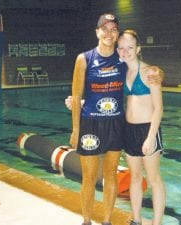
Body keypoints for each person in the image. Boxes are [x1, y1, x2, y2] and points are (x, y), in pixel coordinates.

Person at [68, 13, 163, 225]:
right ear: (97, 32)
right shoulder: (84, 59)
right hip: (90, 124)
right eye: (105, 28)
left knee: (110, 175)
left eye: (113, 29)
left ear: (117, 33)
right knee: (89, 178)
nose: (109, 33)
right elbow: (76, 96)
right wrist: (75, 129)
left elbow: (144, 69)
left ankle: (107, 221)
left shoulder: (122, 60)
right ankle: (86, 221)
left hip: (115, 124)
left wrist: (158, 72)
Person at [117, 29, 166, 225]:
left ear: (138, 49)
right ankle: (136, 220)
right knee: (135, 178)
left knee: (154, 179)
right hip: (129, 130)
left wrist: (151, 136)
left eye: (129, 47)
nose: (125, 51)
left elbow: (159, 108)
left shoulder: (150, 72)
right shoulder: (121, 72)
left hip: (148, 130)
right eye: (121, 47)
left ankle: (156, 223)